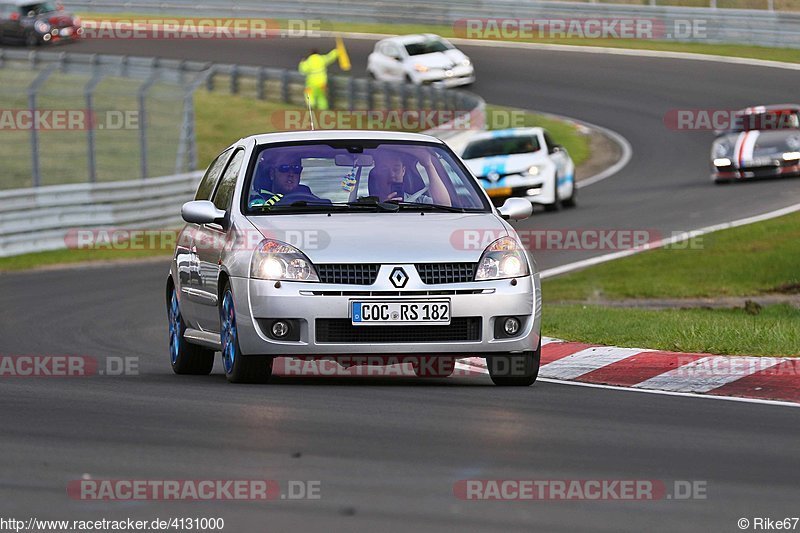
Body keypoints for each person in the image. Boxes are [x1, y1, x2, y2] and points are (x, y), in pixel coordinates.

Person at [369, 150, 452, 206]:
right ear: (376, 173)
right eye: (384, 170)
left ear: (403, 171)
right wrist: (381, 207)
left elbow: (445, 206)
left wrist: (428, 165)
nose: (392, 174)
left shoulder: (419, 202)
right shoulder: (366, 205)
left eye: (396, 169)